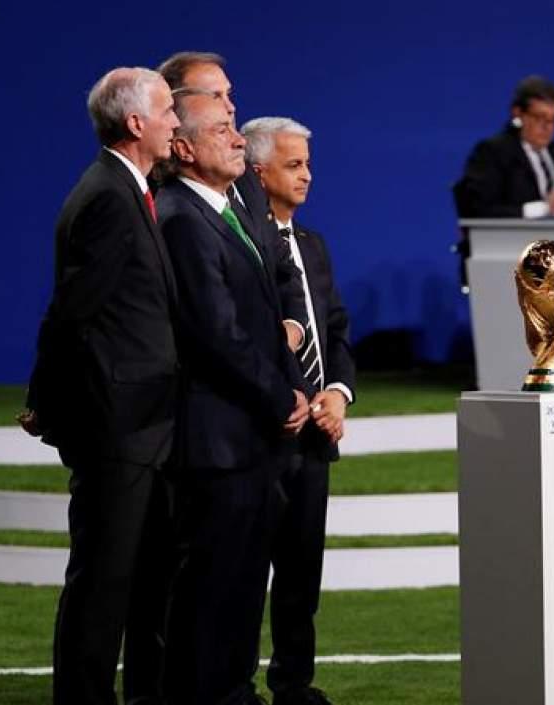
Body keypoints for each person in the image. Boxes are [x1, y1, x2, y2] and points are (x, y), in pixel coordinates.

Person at [22, 66, 179, 705]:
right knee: (103, 582)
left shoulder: (127, 187)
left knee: (138, 580)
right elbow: (72, 311)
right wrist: (46, 401)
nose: (176, 121)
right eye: (167, 110)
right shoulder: (110, 197)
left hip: (144, 423)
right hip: (119, 428)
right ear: (136, 122)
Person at [156, 92, 310, 705]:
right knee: (214, 592)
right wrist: (283, 396)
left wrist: (289, 388)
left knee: (243, 587)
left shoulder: (229, 209)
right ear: (185, 148)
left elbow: (267, 307)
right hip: (219, 440)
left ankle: (232, 692)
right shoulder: (181, 218)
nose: (239, 138)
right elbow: (218, 336)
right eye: (222, 129)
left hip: (249, 435)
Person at [243, 116, 357, 705]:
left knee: (300, 575)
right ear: (258, 171)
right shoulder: (246, 243)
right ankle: (235, 687)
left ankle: (293, 683)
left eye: (308, 163)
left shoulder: (312, 245)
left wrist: (336, 392)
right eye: (293, 165)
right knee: (242, 575)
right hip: (264, 435)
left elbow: (334, 329)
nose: (307, 174)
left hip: (315, 438)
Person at [157, 50, 309, 354]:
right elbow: (213, 327)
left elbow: (283, 267)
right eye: (216, 95)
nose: (230, 106)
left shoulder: (245, 181)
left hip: (277, 374)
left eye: (228, 94)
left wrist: (293, 328)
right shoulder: (172, 207)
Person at [453, 75, 554, 218]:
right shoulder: (493, 152)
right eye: (539, 117)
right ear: (518, 114)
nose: (548, 127)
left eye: (553, 119)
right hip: (506, 238)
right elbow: (479, 209)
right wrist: (543, 208)